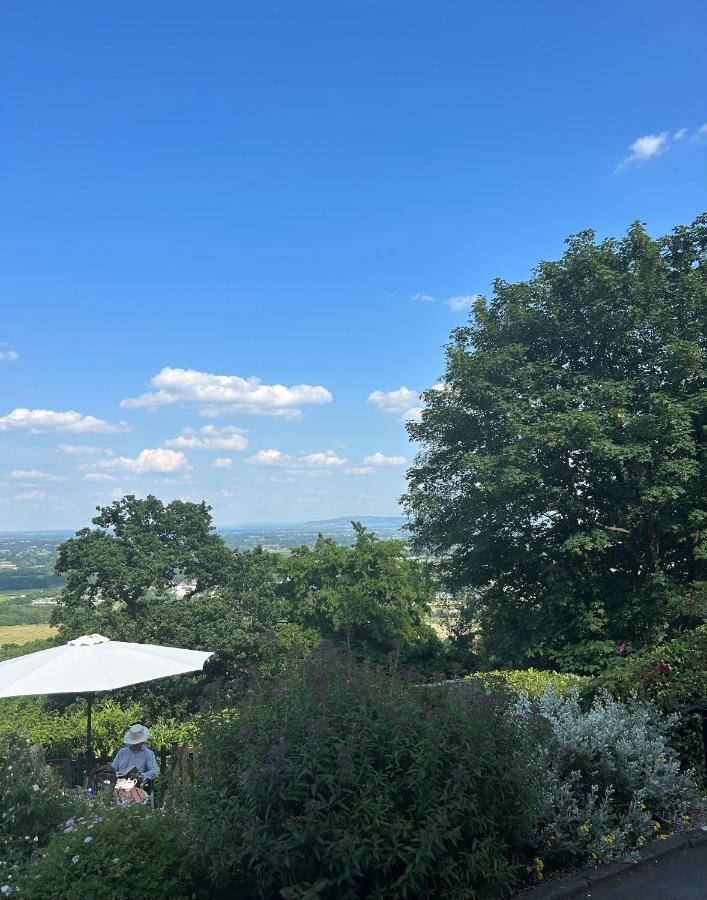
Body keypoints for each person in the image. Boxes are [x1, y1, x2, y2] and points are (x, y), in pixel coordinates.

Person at [111, 724, 158, 804]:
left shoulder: (148, 754)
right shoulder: (122, 752)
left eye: (138, 742)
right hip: (118, 783)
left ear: (142, 741)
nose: (136, 744)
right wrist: (115, 775)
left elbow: (154, 772)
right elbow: (112, 768)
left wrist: (142, 776)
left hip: (136, 784)